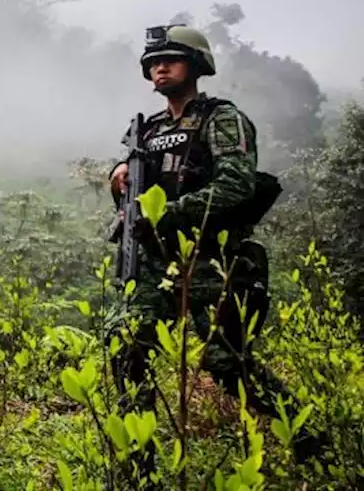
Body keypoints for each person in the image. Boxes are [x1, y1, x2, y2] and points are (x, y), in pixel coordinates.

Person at [107, 24, 323, 480]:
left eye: (171, 59)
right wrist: (120, 172)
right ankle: (141, 472)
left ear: (197, 65)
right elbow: (142, 189)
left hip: (209, 259)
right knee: (128, 351)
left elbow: (236, 185)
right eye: (152, 63)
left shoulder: (221, 119)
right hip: (155, 262)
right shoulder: (149, 131)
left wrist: (170, 213)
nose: (159, 67)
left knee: (227, 363)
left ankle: (310, 444)